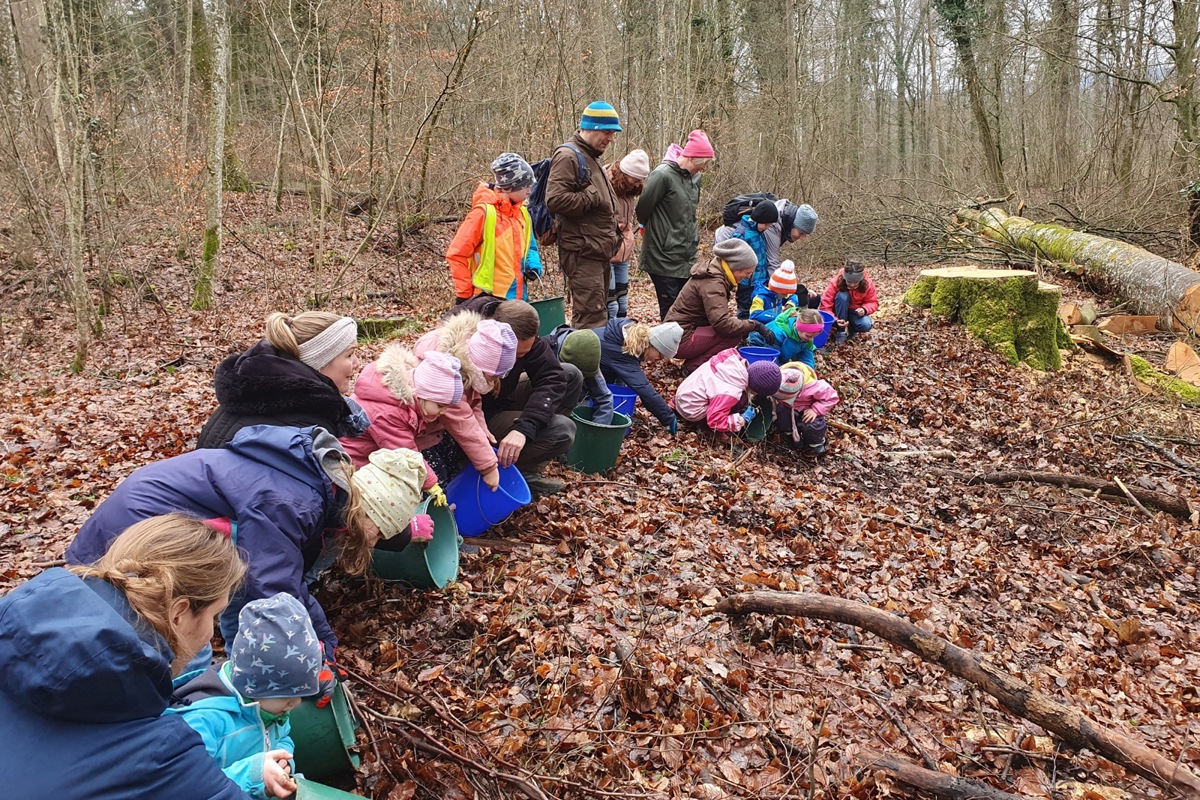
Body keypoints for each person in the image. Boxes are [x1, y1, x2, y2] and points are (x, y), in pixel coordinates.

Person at [65, 426, 433, 686]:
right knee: (175, 642)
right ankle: (188, 718)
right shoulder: (295, 503)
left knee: (223, 598)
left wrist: (318, 642)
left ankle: (234, 681)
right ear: (368, 512)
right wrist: (318, 648)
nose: (375, 542)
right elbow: (274, 590)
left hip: (160, 523)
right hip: (139, 531)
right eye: (379, 532)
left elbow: (260, 582)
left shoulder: (317, 493)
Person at [0, 514, 255, 799]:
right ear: (179, 614)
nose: (211, 633)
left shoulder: (10, 633)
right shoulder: (163, 757)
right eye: (214, 615)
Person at [168, 593, 323, 800]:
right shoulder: (203, 721)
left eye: (301, 694)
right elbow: (187, 788)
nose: (296, 702)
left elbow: (282, 737)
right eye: (288, 694)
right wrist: (255, 775)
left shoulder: (269, 709)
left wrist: (283, 761)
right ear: (256, 686)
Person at [448, 296, 582, 496]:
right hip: (477, 417)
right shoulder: (465, 341)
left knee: (571, 374)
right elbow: (458, 410)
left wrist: (525, 427)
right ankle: (511, 464)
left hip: (502, 397)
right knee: (563, 429)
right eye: (518, 355)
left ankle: (530, 462)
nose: (521, 358)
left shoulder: (518, 324)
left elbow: (552, 376)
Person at [197, 312, 367, 449]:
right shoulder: (304, 426)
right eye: (350, 354)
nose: (357, 363)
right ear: (319, 360)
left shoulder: (256, 394)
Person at [341, 348, 465, 502]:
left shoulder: (406, 402)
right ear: (423, 394)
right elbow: (406, 455)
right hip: (354, 466)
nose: (444, 412)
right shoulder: (388, 412)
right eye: (440, 406)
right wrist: (432, 484)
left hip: (374, 457)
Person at [410, 316, 519, 490]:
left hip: (436, 428)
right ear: (480, 367)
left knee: (452, 466)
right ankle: (434, 513)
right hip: (417, 435)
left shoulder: (469, 360)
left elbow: (473, 401)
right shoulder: (446, 373)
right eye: (494, 376)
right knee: (437, 478)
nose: (497, 380)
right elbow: (462, 421)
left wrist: (481, 427)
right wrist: (489, 467)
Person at [545, 101, 623, 329]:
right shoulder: (568, 156)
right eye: (607, 133)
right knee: (590, 319)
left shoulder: (590, 156)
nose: (611, 139)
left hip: (595, 253)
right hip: (582, 254)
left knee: (597, 315)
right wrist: (592, 194)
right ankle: (584, 364)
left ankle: (591, 362)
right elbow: (555, 200)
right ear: (591, 127)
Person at [664, 238, 776, 373]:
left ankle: (693, 364)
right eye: (747, 273)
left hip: (678, 334)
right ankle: (693, 368)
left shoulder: (714, 273)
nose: (747, 277)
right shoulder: (713, 283)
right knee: (733, 335)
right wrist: (755, 325)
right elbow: (722, 325)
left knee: (735, 328)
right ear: (735, 267)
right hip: (678, 340)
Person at [637, 130, 715, 319]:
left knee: (688, 308)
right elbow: (642, 209)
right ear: (692, 158)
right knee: (671, 310)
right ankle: (668, 348)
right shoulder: (662, 175)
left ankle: (683, 347)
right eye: (702, 164)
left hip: (686, 257)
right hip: (662, 257)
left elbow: (689, 214)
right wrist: (662, 235)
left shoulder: (694, 178)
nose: (703, 169)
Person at [447, 153, 536, 304]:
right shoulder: (483, 214)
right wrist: (464, 295)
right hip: (488, 299)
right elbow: (457, 254)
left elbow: (531, 246)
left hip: (519, 299)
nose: (529, 191)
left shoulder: (523, 214)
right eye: (525, 186)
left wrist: (533, 264)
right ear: (509, 187)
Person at [597, 319, 682, 433]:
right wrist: (668, 418)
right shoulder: (623, 353)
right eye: (660, 355)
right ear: (653, 345)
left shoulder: (628, 338)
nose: (658, 360)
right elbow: (643, 389)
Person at [673, 349, 782, 433]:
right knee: (742, 402)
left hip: (684, 395)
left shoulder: (731, 363)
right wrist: (742, 419)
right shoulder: (731, 391)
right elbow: (715, 421)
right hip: (690, 410)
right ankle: (713, 432)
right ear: (756, 390)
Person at [714, 201, 778, 319]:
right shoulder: (742, 233)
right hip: (746, 284)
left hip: (759, 282)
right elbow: (731, 255)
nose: (767, 228)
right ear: (758, 219)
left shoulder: (760, 232)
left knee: (758, 309)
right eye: (766, 224)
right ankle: (742, 335)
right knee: (745, 311)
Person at [606, 149, 650, 319]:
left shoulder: (631, 191)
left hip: (624, 252)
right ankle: (608, 338)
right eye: (635, 178)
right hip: (607, 252)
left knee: (623, 303)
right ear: (626, 173)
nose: (637, 183)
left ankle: (621, 337)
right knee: (611, 305)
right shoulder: (606, 185)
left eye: (640, 179)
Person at [771, 362, 840, 456]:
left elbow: (832, 398)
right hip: (787, 407)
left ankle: (816, 444)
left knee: (812, 425)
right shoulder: (778, 378)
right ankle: (788, 434)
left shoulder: (815, 387)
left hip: (808, 410)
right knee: (781, 415)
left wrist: (816, 410)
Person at [547, 327, 614, 424]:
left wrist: (597, 432)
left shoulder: (588, 359)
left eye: (584, 375)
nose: (581, 378)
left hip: (576, 402)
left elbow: (604, 399)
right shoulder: (545, 353)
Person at [820, 260, 878, 344]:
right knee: (842, 296)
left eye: (855, 283)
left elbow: (873, 302)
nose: (852, 285)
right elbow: (825, 305)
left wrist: (865, 309)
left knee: (866, 324)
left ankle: (852, 330)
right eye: (849, 282)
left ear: (861, 280)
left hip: (855, 312)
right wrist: (835, 320)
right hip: (838, 311)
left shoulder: (868, 284)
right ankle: (841, 332)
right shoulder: (835, 282)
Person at [747, 306, 824, 368]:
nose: (810, 339)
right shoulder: (778, 333)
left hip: (781, 355)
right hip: (760, 351)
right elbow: (771, 357)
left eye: (813, 337)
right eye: (808, 336)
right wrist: (781, 370)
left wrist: (809, 371)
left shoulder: (807, 338)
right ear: (799, 328)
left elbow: (806, 356)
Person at [762, 199, 819, 274]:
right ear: (794, 224)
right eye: (801, 233)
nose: (802, 237)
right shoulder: (773, 225)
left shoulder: (785, 221)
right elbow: (772, 264)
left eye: (805, 234)